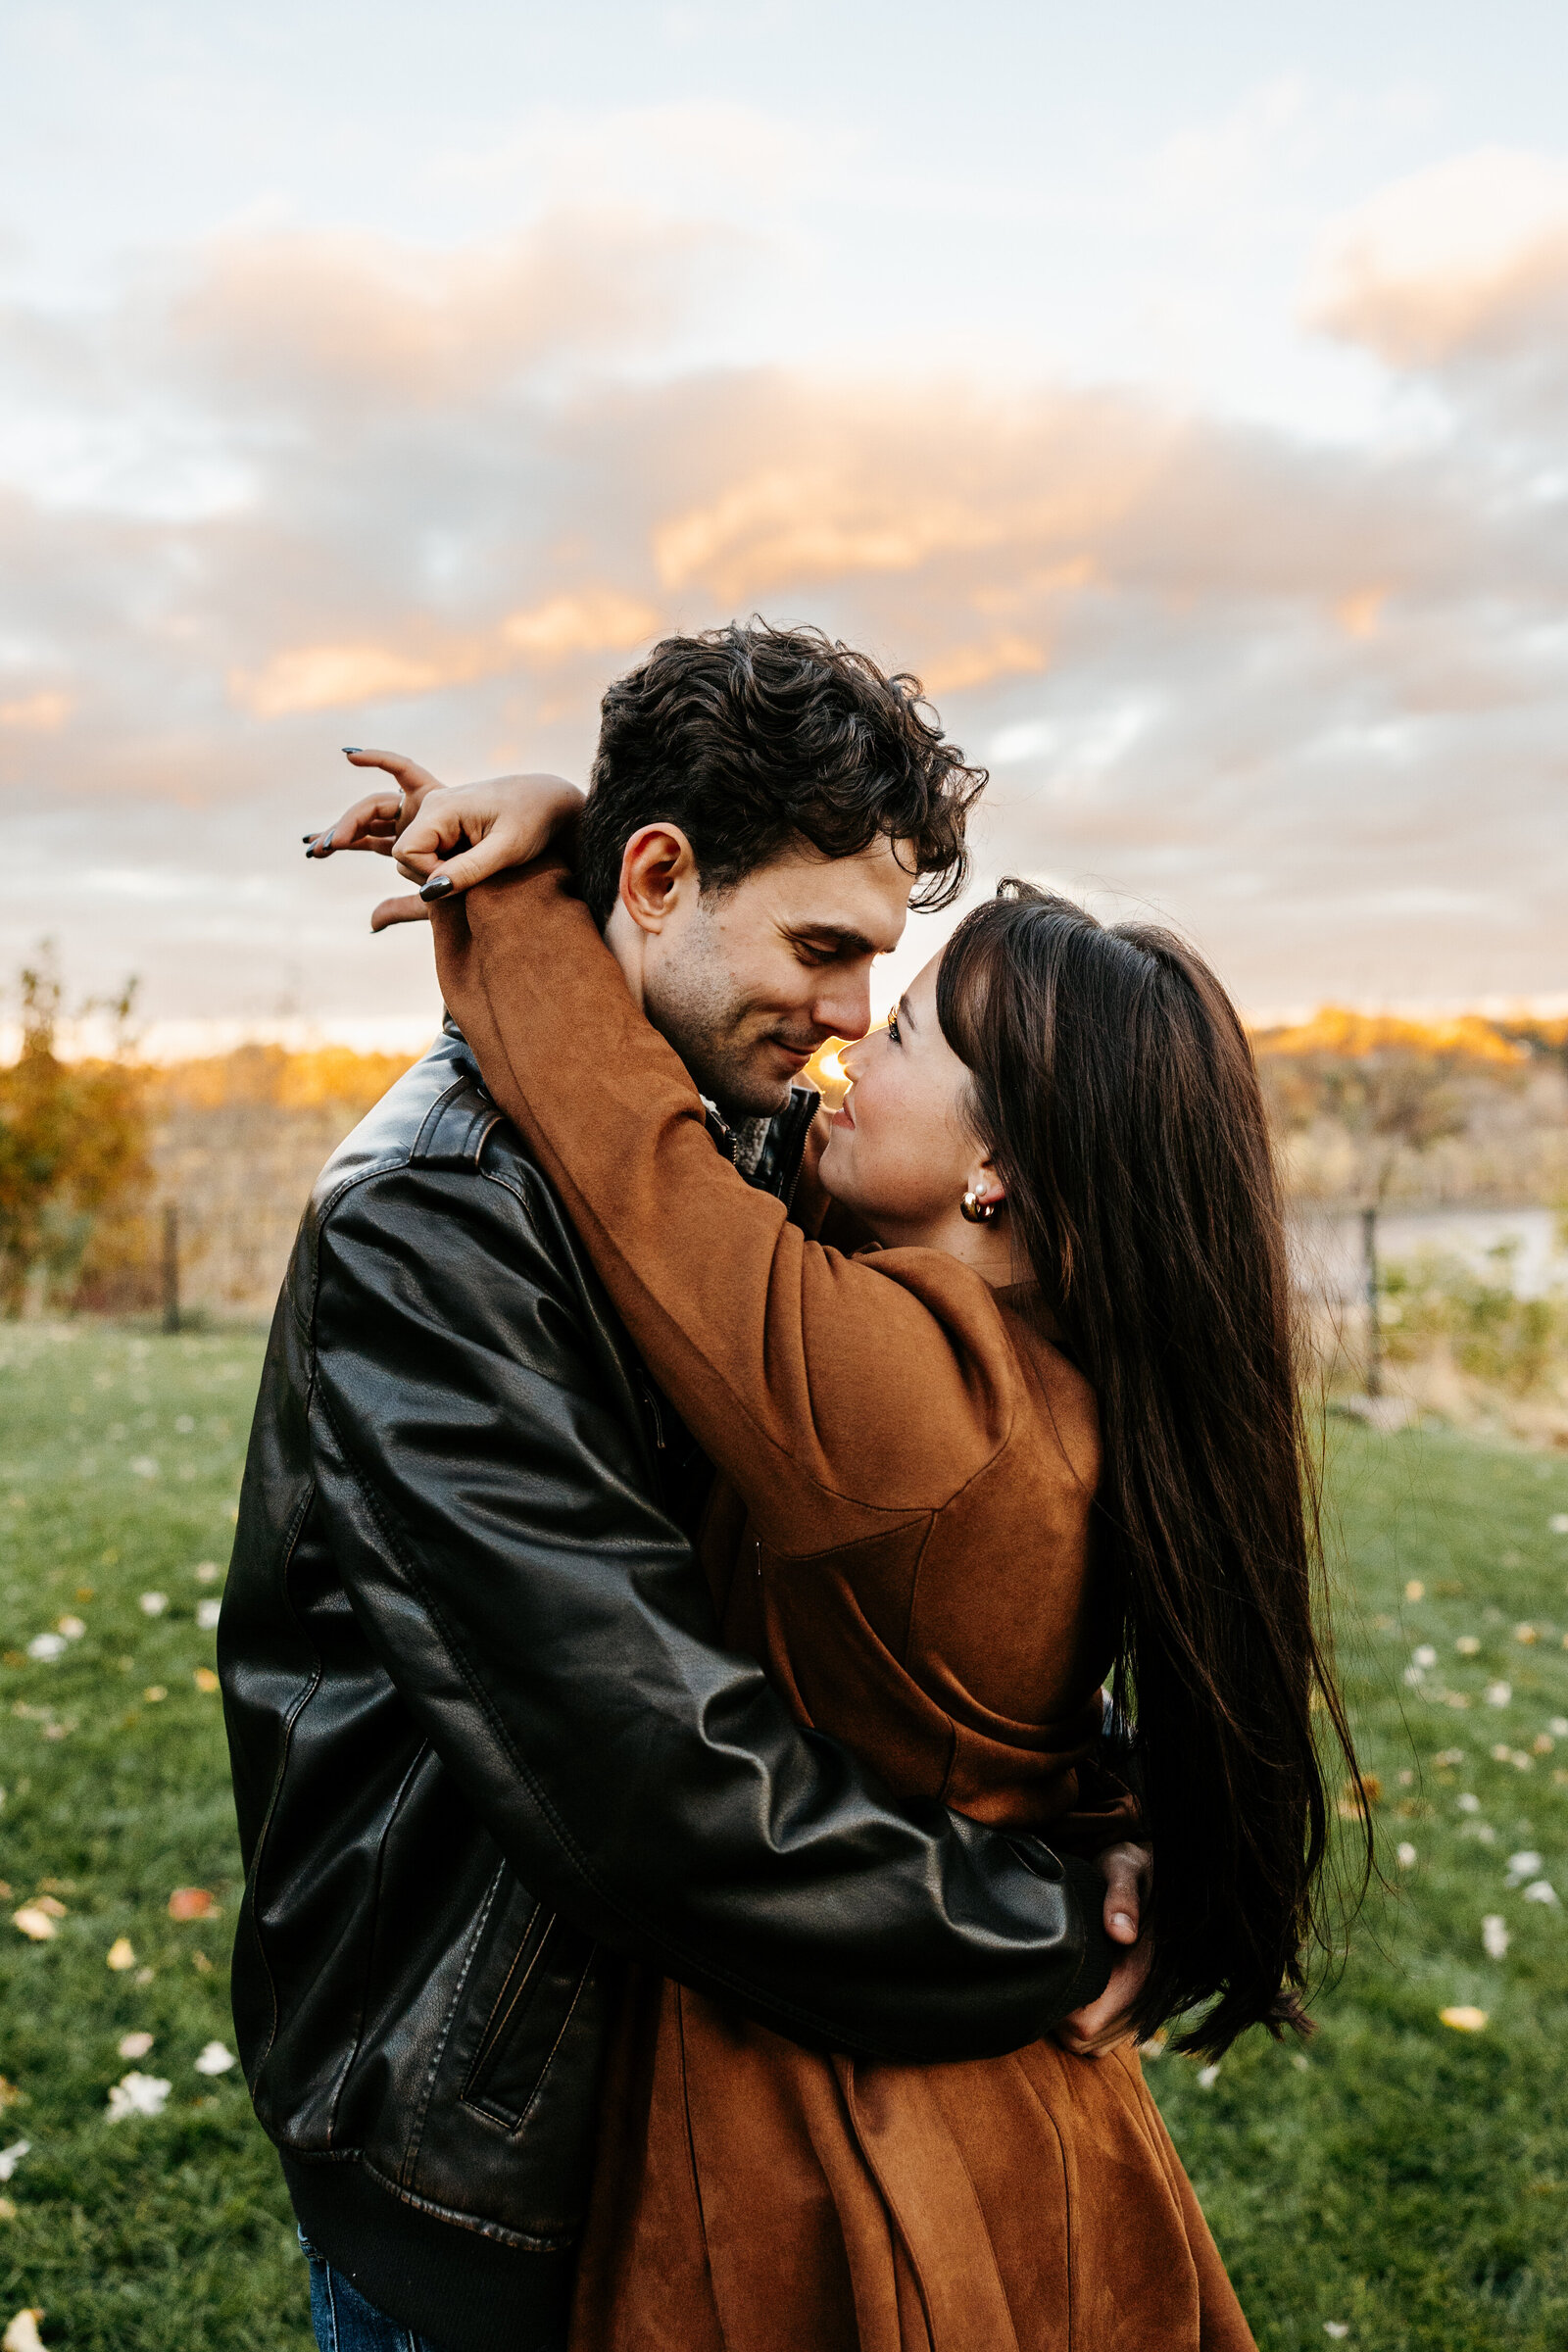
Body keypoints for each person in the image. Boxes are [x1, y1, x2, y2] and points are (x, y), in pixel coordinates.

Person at [358, 729, 1363, 2352]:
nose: (844, 1051)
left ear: (991, 1170)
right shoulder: (1062, 1378)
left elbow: (632, 1161)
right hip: (1009, 2097)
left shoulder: (903, 1390)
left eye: (898, 1031)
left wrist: (534, 884)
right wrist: (610, 826)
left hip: (843, 2112)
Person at [228, 624, 1150, 2352]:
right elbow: (642, 1759)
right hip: (478, 2138)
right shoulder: (429, 1230)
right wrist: (1042, 1920)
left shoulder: (738, 1139)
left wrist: (1109, 1800)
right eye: (819, 947)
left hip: (701, 2094)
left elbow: (971, 1545)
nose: (846, 1021)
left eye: (879, 968)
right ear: (658, 879)